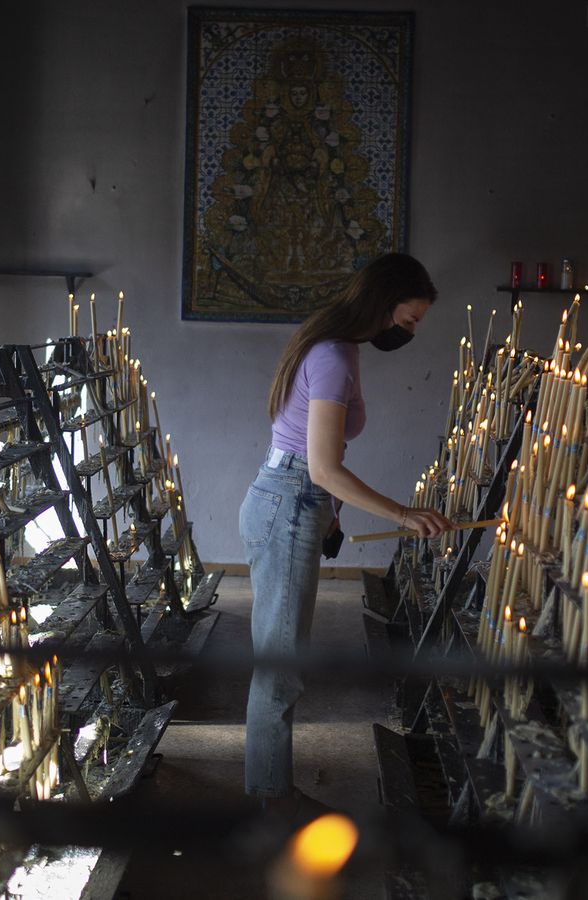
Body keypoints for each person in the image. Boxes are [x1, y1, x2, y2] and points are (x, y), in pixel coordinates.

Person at [239, 252, 455, 815]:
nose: (410, 331)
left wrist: (333, 513)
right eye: (409, 320)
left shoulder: (335, 346)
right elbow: (323, 469)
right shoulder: (334, 354)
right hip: (290, 503)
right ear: (385, 303)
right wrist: (403, 514)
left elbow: (319, 471)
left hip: (290, 500)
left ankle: (270, 788)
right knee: (280, 664)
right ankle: (270, 797)